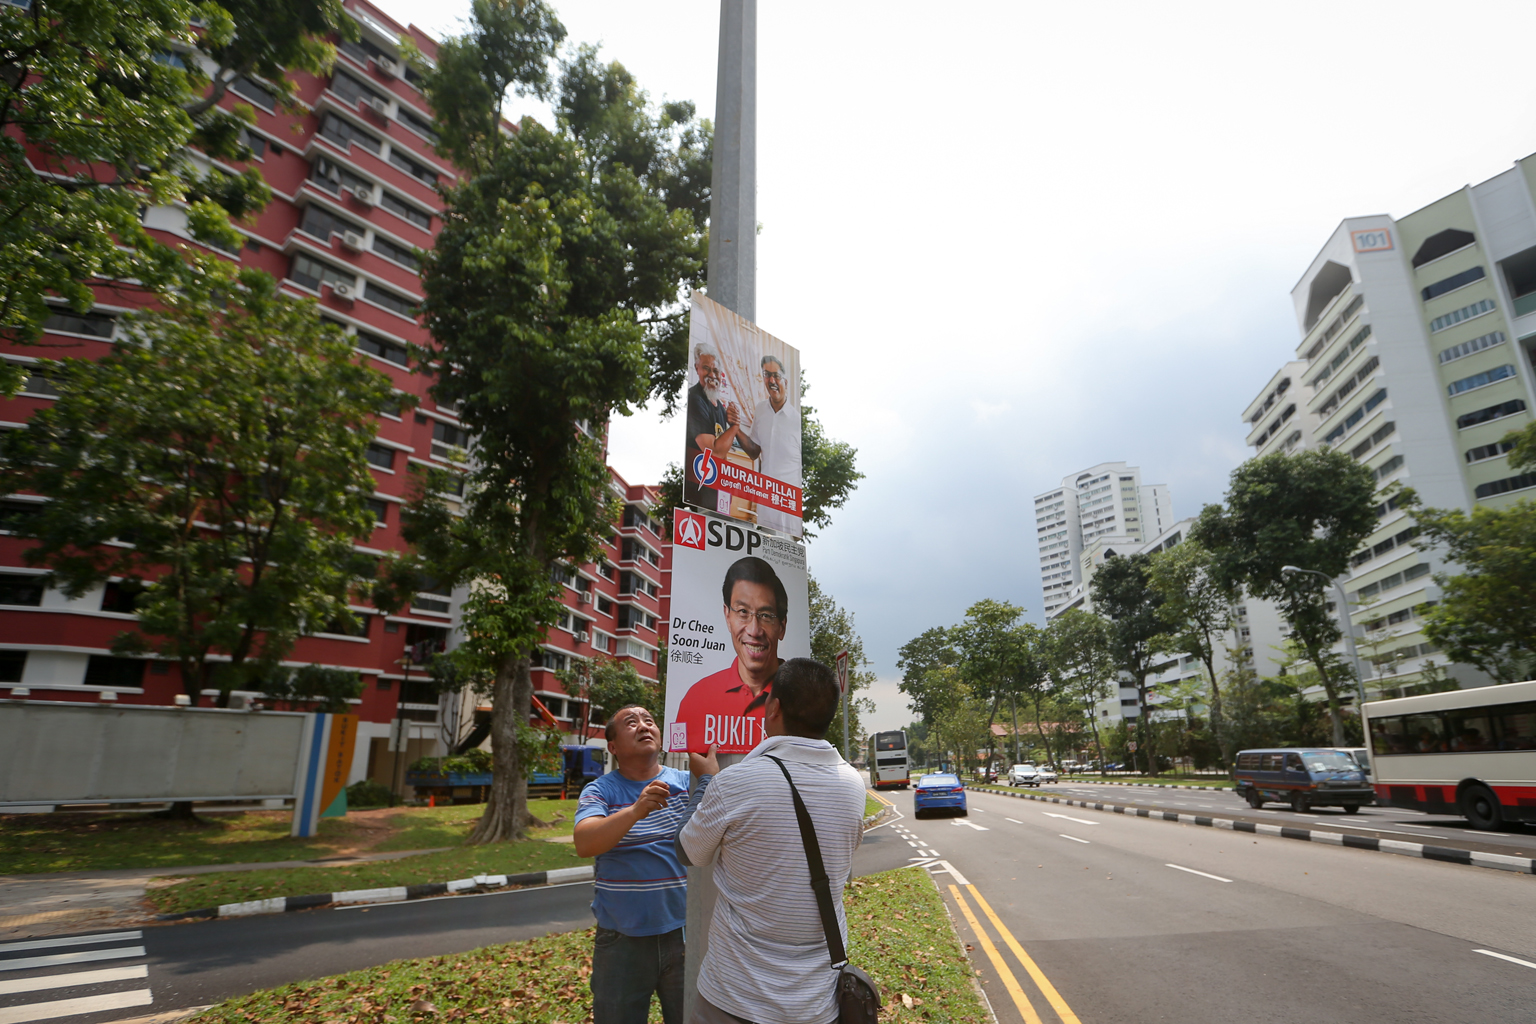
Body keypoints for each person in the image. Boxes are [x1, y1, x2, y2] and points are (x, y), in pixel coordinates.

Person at [675, 658, 866, 1024]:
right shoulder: (853, 786)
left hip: (732, 999)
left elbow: (689, 851)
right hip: (814, 1005)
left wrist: (706, 783)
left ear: (773, 707)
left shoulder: (734, 783)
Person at [574, 705, 692, 1024]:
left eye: (649, 721)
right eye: (631, 722)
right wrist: (635, 811)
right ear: (612, 747)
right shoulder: (601, 790)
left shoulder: (686, 782)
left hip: (683, 934)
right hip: (621, 941)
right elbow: (584, 843)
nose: (643, 725)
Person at [674, 556, 787, 752]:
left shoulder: (798, 698)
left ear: (782, 626)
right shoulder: (696, 698)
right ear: (727, 616)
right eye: (743, 612)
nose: (754, 630)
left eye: (766, 616)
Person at [684, 342, 760, 513]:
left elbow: (753, 453)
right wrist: (734, 427)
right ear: (697, 369)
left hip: (719, 494)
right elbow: (715, 453)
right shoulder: (696, 399)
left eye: (715, 370)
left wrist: (735, 425)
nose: (712, 375)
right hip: (701, 496)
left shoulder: (718, 406)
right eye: (706, 368)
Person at [745, 355, 802, 535]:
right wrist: (735, 428)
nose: (771, 380)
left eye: (775, 375)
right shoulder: (761, 409)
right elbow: (754, 451)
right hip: (766, 502)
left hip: (788, 505)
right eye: (766, 375)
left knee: (783, 555)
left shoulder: (796, 420)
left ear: (785, 380)